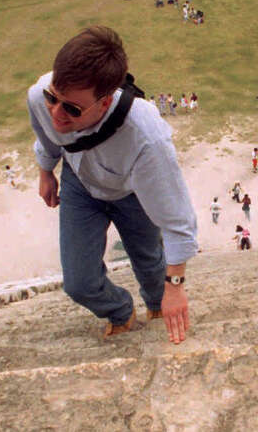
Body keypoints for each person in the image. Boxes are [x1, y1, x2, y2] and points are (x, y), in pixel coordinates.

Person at [27, 26, 197, 344]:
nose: (56, 112)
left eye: (72, 109)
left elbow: (177, 219)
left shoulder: (146, 136)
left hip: (132, 192)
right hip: (79, 184)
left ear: (104, 103)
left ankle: (156, 304)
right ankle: (121, 311)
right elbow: (46, 136)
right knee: (79, 283)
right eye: (53, 98)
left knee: (148, 262)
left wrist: (175, 287)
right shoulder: (40, 94)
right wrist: (46, 171)